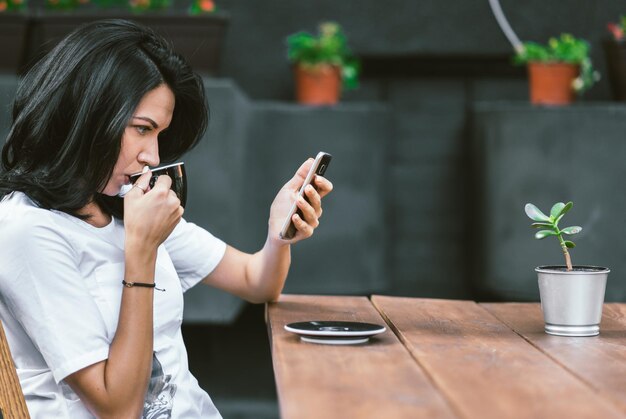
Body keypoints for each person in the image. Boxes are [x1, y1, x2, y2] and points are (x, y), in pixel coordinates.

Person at [0, 19, 332, 418]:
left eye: (159, 135)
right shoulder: (29, 230)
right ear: (86, 114)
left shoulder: (122, 206)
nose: (153, 157)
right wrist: (141, 251)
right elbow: (118, 408)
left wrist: (279, 234)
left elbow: (256, 281)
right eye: (142, 129)